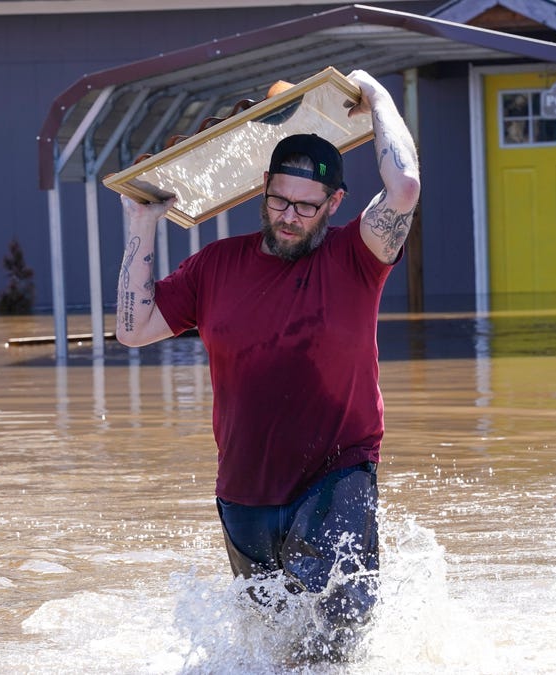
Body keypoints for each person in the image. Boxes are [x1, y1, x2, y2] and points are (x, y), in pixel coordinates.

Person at [115, 69, 420, 654]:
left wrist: (375, 93)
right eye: (278, 200)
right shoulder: (215, 266)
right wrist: (142, 225)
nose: (288, 216)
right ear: (262, 189)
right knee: (269, 651)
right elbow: (133, 330)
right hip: (245, 491)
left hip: (338, 471)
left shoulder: (357, 256)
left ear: (334, 203)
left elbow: (403, 188)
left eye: (306, 207)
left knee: (336, 637)